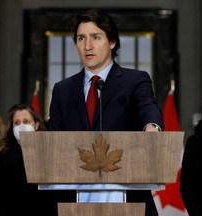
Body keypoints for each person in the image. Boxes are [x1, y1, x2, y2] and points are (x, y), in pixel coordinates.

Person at [48, 8, 164, 216]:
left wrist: (151, 127)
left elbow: (147, 107)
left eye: (95, 37)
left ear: (111, 42)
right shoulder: (62, 90)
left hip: (128, 200)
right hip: (73, 203)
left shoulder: (134, 80)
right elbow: (52, 139)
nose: (87, 46)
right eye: (81, 38)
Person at [0, 104, 56, 216]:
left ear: (36, 125)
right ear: (12, 127)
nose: (22, 126)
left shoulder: (48, 152)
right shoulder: (0, 154)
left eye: (26, 121)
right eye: (17, 123)